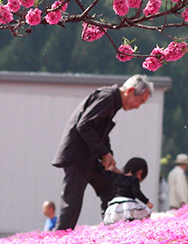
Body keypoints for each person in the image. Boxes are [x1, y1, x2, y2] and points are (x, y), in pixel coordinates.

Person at [52, 74, 153, 230]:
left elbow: (101, 134)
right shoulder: (107, 97)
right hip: (78, 156)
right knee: (73, 200)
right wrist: (104, 153)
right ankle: (58, 241)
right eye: (140, 101)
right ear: (130, 91)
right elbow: (84, 126)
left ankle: (113, 228)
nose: (137, 106)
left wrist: (108, 155)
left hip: (89, 156)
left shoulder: (113, 101)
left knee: (109, 186)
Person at [102, 157, 154, 224]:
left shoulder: (116, 177)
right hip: (128, 205)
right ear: (140, 173)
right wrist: (147, 202)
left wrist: (112, 167)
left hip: (114, 206)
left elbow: (107, 175)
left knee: (115, 225)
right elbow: (137, 193)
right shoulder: (134, 179)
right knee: (146, 213)